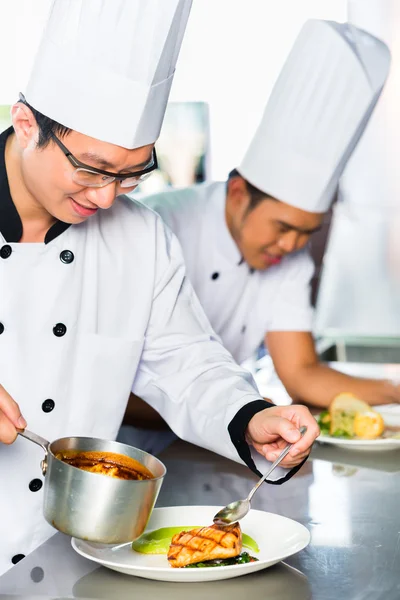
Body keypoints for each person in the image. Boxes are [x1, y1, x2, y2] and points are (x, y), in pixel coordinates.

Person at [0, 0, 319, 576]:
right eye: (92, 169)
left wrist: (250, 417)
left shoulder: (141, 235)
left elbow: (184, 360)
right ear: (27, 125)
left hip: (74, 549)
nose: (104, 198)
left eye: (130, 175)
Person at [136, 19, 396, 419]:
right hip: (127, 439)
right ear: (239, 193)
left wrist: (395, 389)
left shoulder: (288, 258)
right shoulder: (159, 226)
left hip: (212, 438)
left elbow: (302, 373)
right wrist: (237, 414)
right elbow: (111, 382)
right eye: (284, 227)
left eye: (307, 232)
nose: (293, 245)